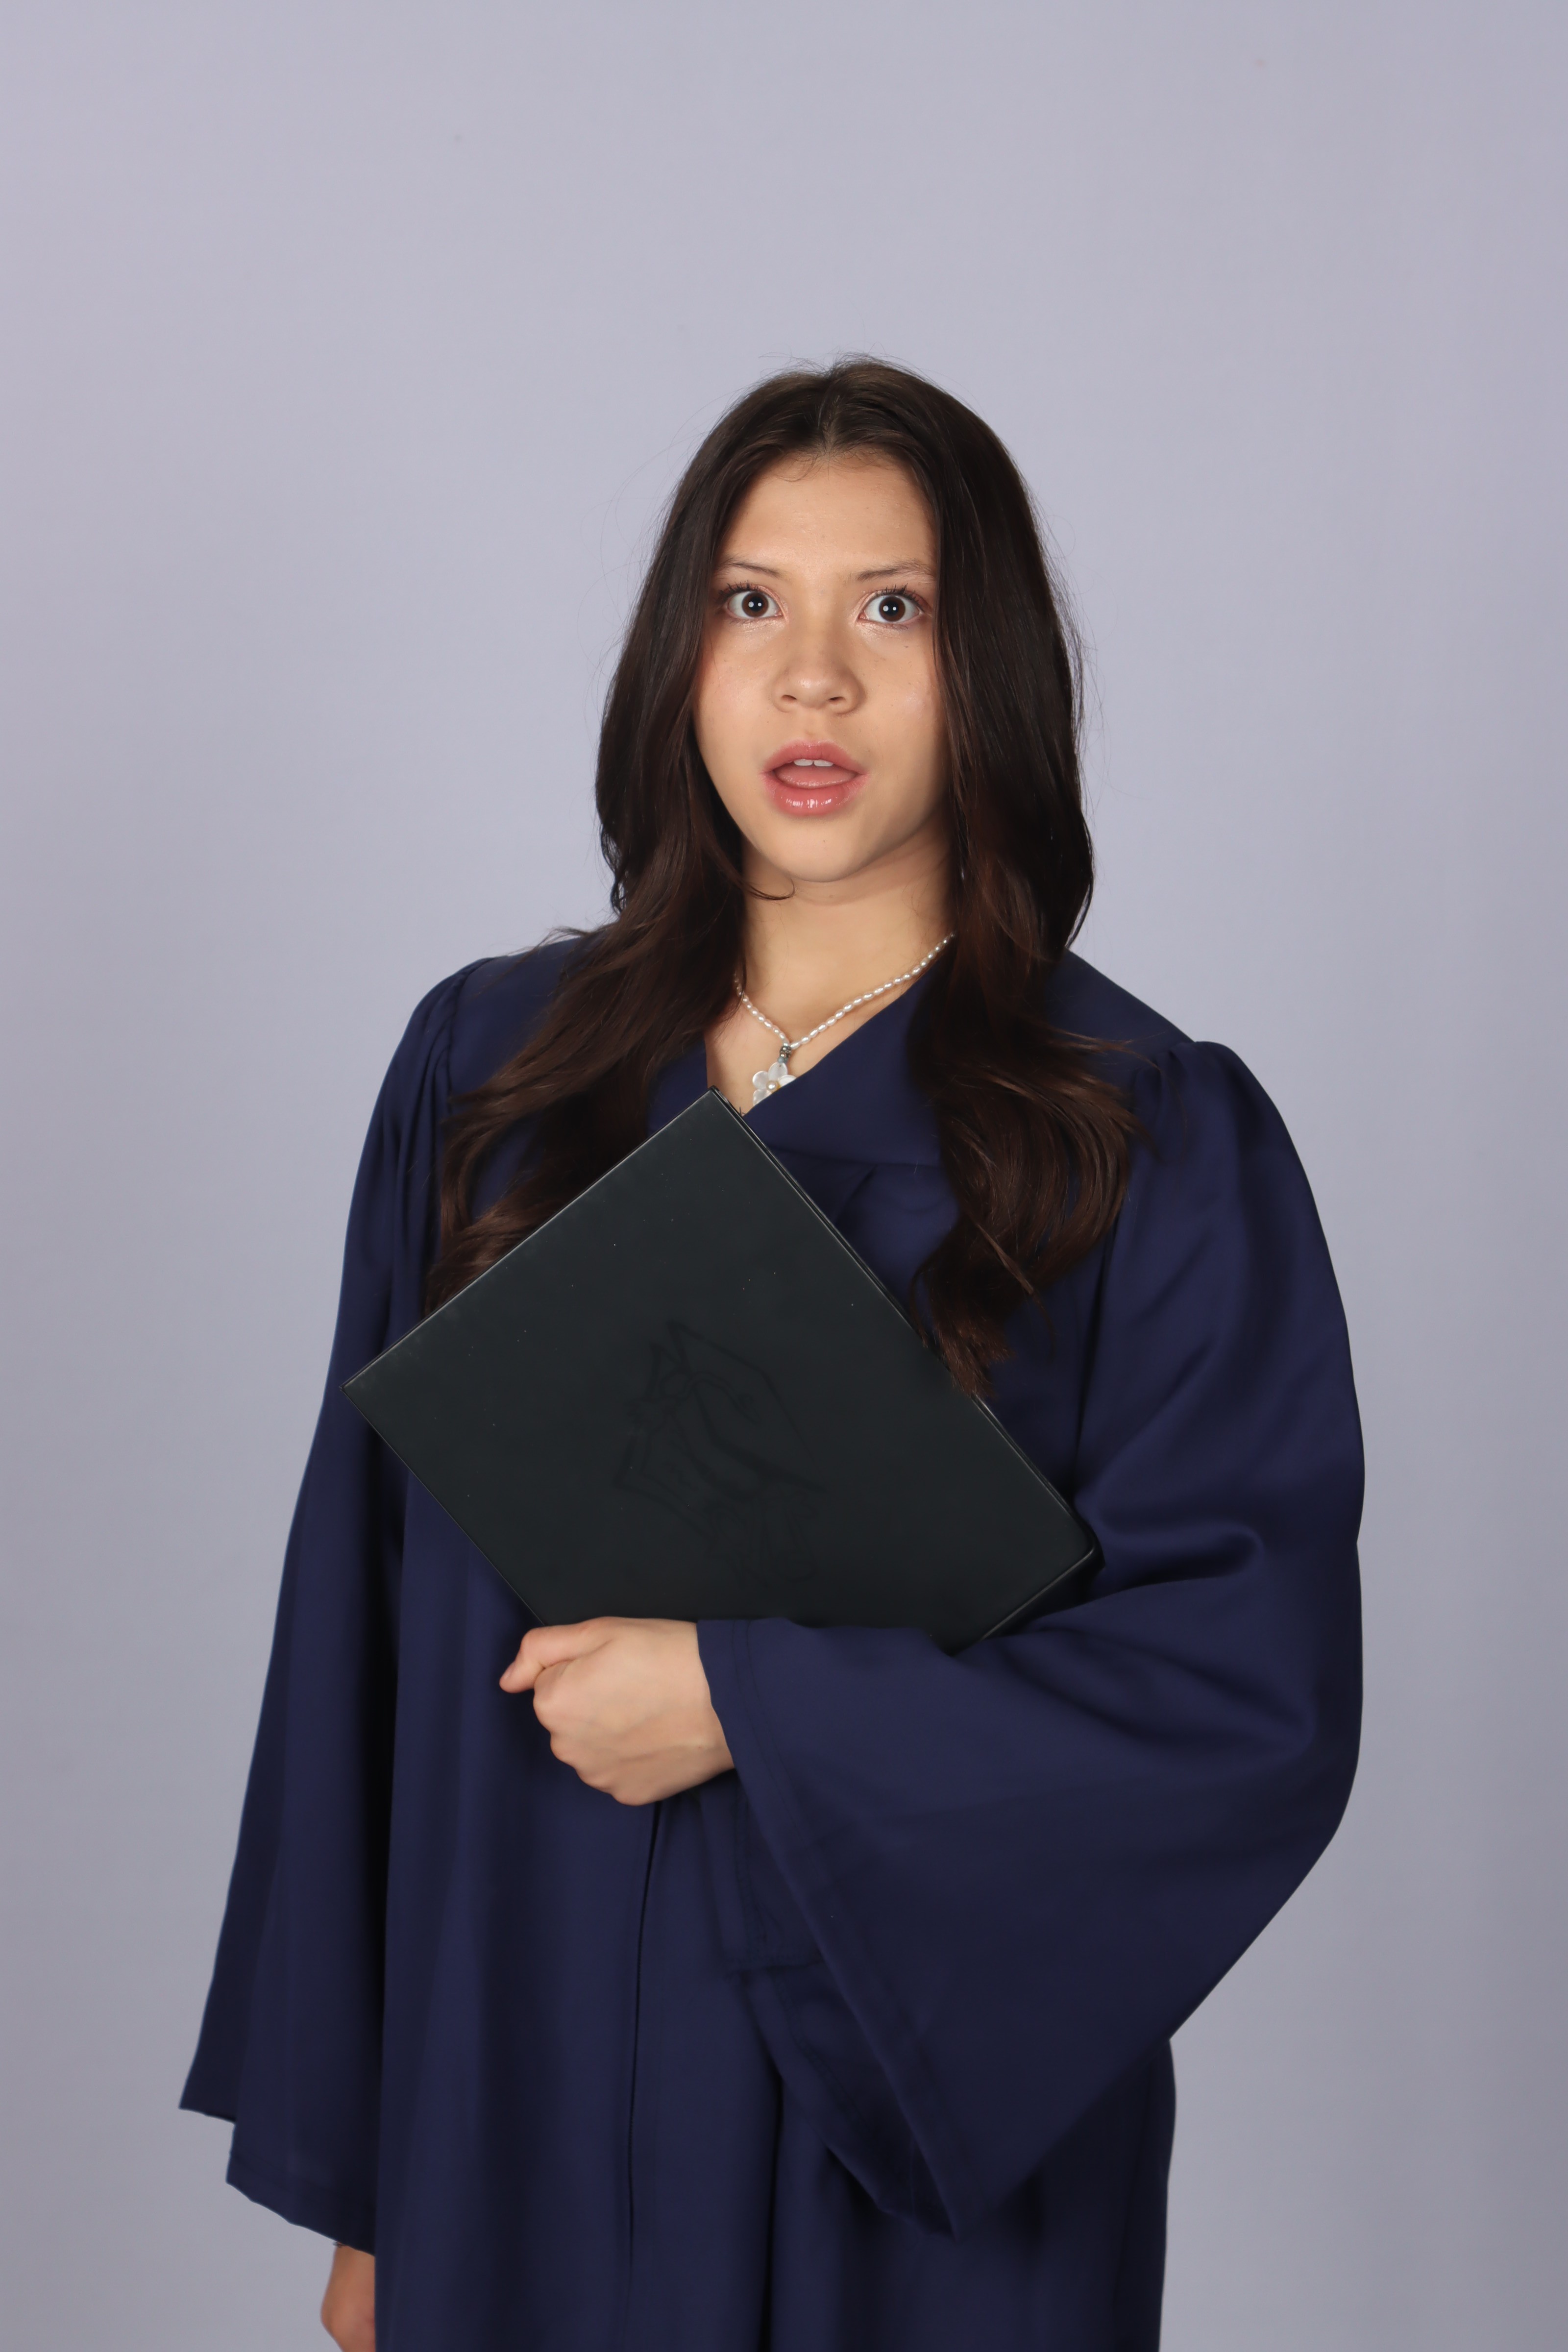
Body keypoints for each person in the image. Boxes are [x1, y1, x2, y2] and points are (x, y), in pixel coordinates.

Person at [183, 360, 1362, 2352]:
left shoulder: (1142, 1139)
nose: (813, 677)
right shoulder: (494, 1079)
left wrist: (752, 1702)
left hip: (907, 2176)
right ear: (682, 654)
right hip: (519, 2104)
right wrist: (372, 2180)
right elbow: (357, 1635)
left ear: (987, 670)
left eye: (891, 607)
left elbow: (1237, 1700)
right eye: (751, 603)